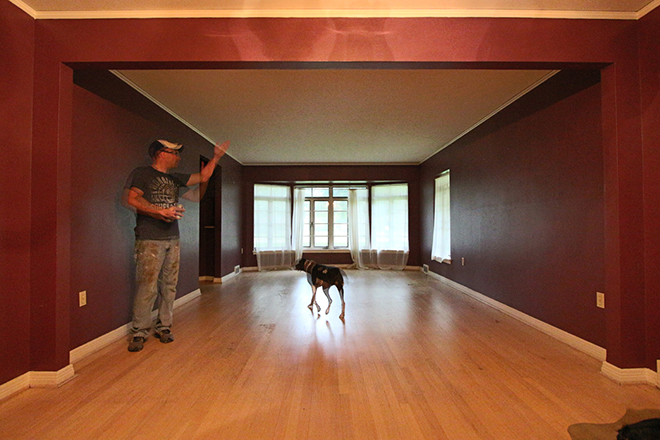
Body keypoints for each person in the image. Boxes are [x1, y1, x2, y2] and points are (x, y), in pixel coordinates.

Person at [123, 139, 229, 352]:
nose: (178, 158)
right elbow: (131, 199)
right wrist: (158, 211)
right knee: (147, 287)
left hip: (173, 238)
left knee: (169, 286)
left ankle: (164, 326)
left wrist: (216, 157)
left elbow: (203, 178)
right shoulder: (142, 173)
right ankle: (139, 331)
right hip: (149, 239)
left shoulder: (174, 179)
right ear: (161, 153)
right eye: (174, 153)